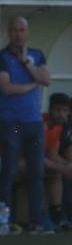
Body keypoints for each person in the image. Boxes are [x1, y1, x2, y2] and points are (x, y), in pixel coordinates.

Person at [0, 15, 52, 233]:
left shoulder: (36, 55)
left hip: (34, 123)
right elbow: (7, 88)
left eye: (21, 30)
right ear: (9, 32)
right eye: (14, 30)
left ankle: (36, 221)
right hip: (12, 122)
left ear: (27, 32)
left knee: (36, 173)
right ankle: (4, 221)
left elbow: (46, 79)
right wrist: (32, 84)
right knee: (9, 172)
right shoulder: (2, 56)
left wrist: (27, 64)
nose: (18, 34)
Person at [42, 93, 72, 229]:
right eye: (58, 110)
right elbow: (39, 158)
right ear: (50, 109)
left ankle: (57, 214)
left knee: (57, 173)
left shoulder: (58, 128)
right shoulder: (41, 123)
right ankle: (44, 217)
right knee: (57, 171)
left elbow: (53, 155)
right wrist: (65, 168)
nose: (61, 114)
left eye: (65, 111)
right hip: (14, 161)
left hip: (38, 161)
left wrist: (67, 166)